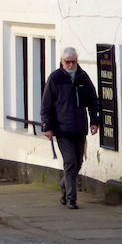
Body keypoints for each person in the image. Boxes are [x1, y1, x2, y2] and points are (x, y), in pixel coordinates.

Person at [41, 47, 99, 210]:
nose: (71, 65)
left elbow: (93, 101)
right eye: (68, 62)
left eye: (74, 62)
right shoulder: (55, 79)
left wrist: (94, 121)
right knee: (70, 162)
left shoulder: (83, 77)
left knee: (78, 162)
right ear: (62, 61)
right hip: (62, 129)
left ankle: (64, 184)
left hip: (80, 129)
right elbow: (46, 105)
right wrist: (48, 126)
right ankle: (71, 199)